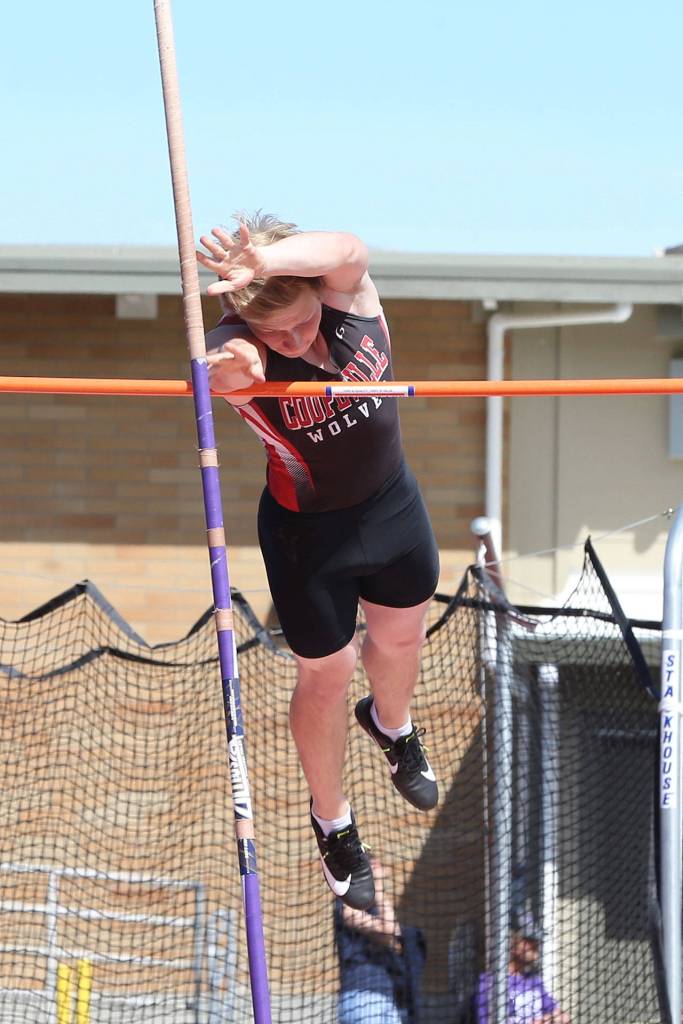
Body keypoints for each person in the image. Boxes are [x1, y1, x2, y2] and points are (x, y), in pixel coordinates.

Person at [196, 213, 440, 910]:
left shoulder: (348, 296)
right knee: (326, 674)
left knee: (397, 641)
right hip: (308, 534)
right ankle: (333, 824)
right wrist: (238, 362)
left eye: (302, 324)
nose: (295, 341)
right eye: (279, 335)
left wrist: (266, 260)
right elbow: (228, 367)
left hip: (391, 505)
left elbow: (349, 248)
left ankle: (392, 726)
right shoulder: (238, 343)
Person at [335, 858, 426, 1024]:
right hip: (362, 997)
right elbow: (387, 928)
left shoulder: (376, 907)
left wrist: (379, 891)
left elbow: (391, 930)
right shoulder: (346, 901)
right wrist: (375, 883)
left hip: (386, 999)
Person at [474, 919, 570, 1024]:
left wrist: (548, 1019)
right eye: (529, 940)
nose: (535, 944)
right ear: (513, 945)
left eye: (536, 941)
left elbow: (562, 1017)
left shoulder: (534, 980)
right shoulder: (489, 981)